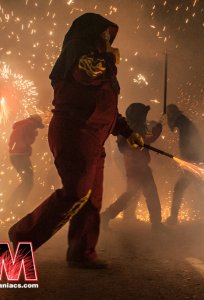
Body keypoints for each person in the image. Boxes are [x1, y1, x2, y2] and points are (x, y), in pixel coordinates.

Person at [8, 13, 143, 269]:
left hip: (94, 138)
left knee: (91, 198)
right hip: (74, 132)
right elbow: (87, 73)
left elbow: (105, 108)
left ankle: (82, 253)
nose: (108, 39)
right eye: (104, 34)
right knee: (77, 191)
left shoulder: (99, 60)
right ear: (91, 32)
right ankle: (22, 236)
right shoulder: (78, 51)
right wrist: (109, 59)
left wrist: (126, 131)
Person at [101, 103, 164, 231]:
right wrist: (157, 130)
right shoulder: (130, 130)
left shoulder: (129, 127)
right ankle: (157, 225)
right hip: (138, 167)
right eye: (143, 115)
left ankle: (106, 216)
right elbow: (143, 142)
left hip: (135, 166)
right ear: (137, 116)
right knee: (150, 195)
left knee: (132, 194)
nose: (144, 118)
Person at [165, 104, 204, 225]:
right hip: (193, 161)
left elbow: (173, 128)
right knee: (201, 189)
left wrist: (188, 162)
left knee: (181, 188)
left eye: (170, 115)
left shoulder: (183, 123)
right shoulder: (184, 122)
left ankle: (173, 219)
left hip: (193, 162)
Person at [7, 114, 45, 211]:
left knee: (26, 181)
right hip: (21, 155)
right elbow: (28, 140)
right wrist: (33, 136)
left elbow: (15, 140)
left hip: (15, 155)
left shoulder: (22, 125)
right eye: (37, 125)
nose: (37, 128)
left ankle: (13, 203)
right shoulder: (30, 125)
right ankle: (16, 204)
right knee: (28, 181)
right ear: (35, 122)